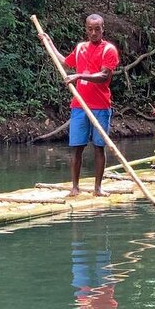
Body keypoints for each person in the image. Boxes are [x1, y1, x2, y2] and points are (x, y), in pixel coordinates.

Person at [39, 14, 119, 196]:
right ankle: (75, 187)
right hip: (79, 105)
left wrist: (80, 76)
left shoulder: (109, 50)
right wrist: (49, 44)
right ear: (86, 29)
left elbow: (104, 76)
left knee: (99, 146)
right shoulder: (81, 47)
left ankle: (98, 188)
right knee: (77, 147)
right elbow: (66, 63)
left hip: (100, 106)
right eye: (90, 29)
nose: (93, 33)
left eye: (97, 29)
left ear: (102, 29)